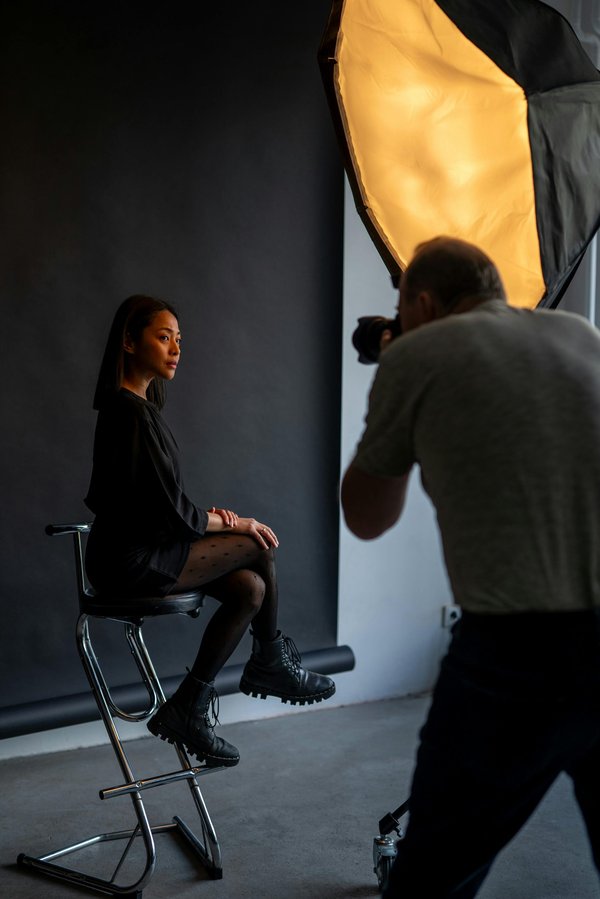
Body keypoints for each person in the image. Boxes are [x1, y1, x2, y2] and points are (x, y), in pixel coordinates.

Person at [341, 237, 600, 898]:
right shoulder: (580, 334)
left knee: (432, 876)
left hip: (515, 655)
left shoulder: (418, 354)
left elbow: (367, 515)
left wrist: (394, 372)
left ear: (422, 302)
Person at [85, 294, 335, 768]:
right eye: (163, 337)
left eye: (179, 340)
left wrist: (209, 518)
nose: (176, 348)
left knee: (249, 587)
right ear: (128, 341)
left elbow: (161, 508)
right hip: (126, 562)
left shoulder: (136, 411)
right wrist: (233, 522)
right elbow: (177, 514)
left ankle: (189, 707)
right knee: (254, 543)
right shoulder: (129, 414)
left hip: (139, 550)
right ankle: (269, 663)